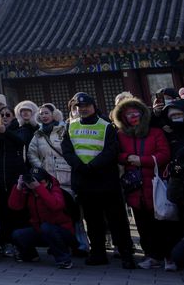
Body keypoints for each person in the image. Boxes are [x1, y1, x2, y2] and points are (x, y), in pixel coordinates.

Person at [61, 92, 136, 268]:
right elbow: (67, 151)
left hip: (106, 180)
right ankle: (98, 253)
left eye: (86, 105)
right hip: (84, 181)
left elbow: (112, 150)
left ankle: (126, 254)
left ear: (94, 106)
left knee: (117, 219)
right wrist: (80, 166)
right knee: (92, 221)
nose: (83, 109)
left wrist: (93, 166)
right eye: (79, 107)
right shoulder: (70, 126)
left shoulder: (107, 126)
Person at [111, 95, 175, 270]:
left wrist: (143, 160)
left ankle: (169, 256)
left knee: (162, 222)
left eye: (135, 113)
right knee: (142, 223)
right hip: (134, 186)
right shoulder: (120, 135)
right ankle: (151, 255)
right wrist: (128, 159)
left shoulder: (156, 132)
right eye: (128, 114)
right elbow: (116, 154)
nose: (133, 117)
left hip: (155, 183)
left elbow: (164, 154)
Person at [8, 167, 76, 269]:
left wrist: (39, 188)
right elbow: (14, 206)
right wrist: (18, 187)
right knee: (18, 234)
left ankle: (64, 260)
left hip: (63, 232)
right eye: (34, 181)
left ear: (47, 180)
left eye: (40, 181)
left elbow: (56, 205)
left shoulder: (55, 189)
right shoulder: (29, 192)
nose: (36, 184)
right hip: (41, 231)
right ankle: (31, 256)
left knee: (46, 227)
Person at [0, 105, 25, 256]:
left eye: (8, 115)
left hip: (14, 178)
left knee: (15, 213)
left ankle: (18, 244)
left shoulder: (18, 129)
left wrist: (6, 132)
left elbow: (21, 142)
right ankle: (4, 243)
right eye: (1, 115)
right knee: (0, 212)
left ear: (13, 117)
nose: (5, 117)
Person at [27, 104, 71, 194]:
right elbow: (31, 153)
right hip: (47, 176)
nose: (44, 116)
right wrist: (41, 166)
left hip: (66, 174)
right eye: (41, 114)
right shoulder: (38, 134)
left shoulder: (64, 130)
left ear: (54, 114)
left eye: (46, 113)